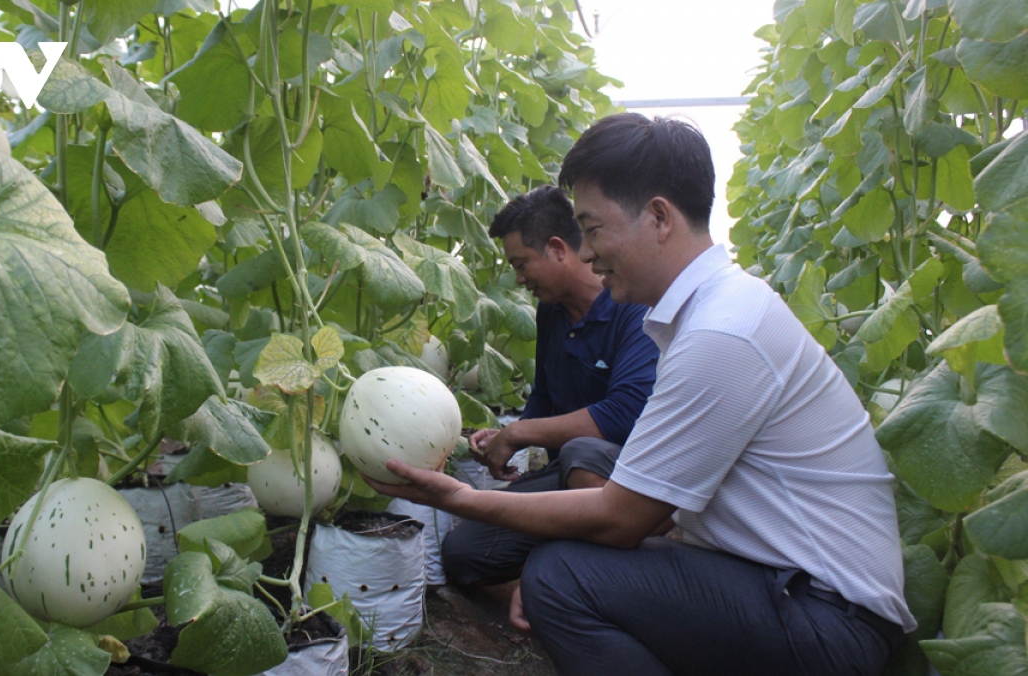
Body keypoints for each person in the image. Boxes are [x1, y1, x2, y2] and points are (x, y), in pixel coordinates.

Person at [366, 113, 915, 675]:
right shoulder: (716, 309)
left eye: (594, 229)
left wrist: (456, 498)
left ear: (658, 217)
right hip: (792, 589)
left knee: (560, 579)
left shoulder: (720, 334)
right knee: (574, 545)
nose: (585, 254)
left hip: (831, 623)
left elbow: (621, 518)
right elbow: (652, 511)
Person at [443, 185, 659, 588]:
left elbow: (626, 412)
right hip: (567, 476)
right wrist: (507, 437)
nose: (519, 279)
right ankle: (565, 553)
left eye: (522, 264)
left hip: (630, 483)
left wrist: (521, 432)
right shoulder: (551, 313)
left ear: (558, 249)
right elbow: (544, 394)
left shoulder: (632, 307)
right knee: (464, 556)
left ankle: (629, 551)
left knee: (582, 452)